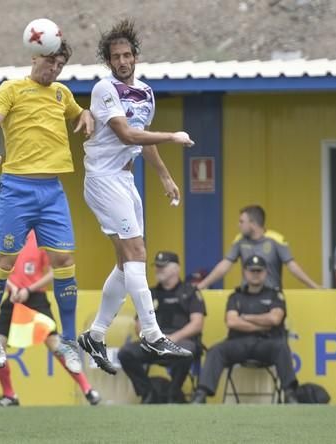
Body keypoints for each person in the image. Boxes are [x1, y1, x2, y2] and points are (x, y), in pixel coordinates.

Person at [75, 19, 195, 373]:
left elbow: (142, 140)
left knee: (125, 263)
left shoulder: (145, 92)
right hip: (103, 179)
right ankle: (154, 335)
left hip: (126, 182)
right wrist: (173, 136)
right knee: (138, 252)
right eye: (116, 57)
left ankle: (95, 335)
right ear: (108, 61)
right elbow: (127, 135)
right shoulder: (104, 89)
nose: (123, 61)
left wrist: (165, 176)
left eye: (127, 55)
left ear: (136, 56)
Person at [0, 38, 94, 367]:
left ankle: (70, 341)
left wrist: (84, 114)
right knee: (4, 258)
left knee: (63, 258)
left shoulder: (62, 94)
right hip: (16, 188)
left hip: (52, 191)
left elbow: (78, 112)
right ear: (35, 56)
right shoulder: (11, 89)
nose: (54, 70)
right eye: (50, 63)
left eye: (60, 66)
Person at [0, 231, 99, 406]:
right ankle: (9, 395)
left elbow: (52, 273)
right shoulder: (7, 235)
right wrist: (12, 287)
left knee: (56, 346)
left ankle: (87, 389)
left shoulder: (41, 237)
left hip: (35, 298)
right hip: (13, 298)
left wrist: (28, 289)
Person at [191, 255, 298, 404]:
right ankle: (201, 394)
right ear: (244, 272)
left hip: (266, 343)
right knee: (216, 350)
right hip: (238, 343)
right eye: (251, 270)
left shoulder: (275, 295)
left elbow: (275, 319)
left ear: (266, 272)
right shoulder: (236, 296)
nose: (255, 274)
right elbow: (232, 322)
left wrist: (246, 317)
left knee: (282, 347)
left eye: (259, 271)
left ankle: (290, 394)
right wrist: (263, 324)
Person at [118, 251, 206, 404]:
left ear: (176, 269)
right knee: (125, 353)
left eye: (163, 267)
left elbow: (197, 324)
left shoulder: (190, 292)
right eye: (157, 267)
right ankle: (148, 393)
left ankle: (173, 392)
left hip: (179, 341)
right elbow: (139, 325)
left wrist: (173, 338)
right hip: (153, 342)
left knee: (187, 351)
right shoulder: (149, 294)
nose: (158, 270)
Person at [196, 205, 321, 291]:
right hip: (247, 296)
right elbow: (224, 266)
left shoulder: (276, 239)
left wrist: (315, 287)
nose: (238, 225)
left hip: (272, 297)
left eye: (241, 221)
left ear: (253, 224)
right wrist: (201, 286)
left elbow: (293, 267)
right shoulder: (240, 240)